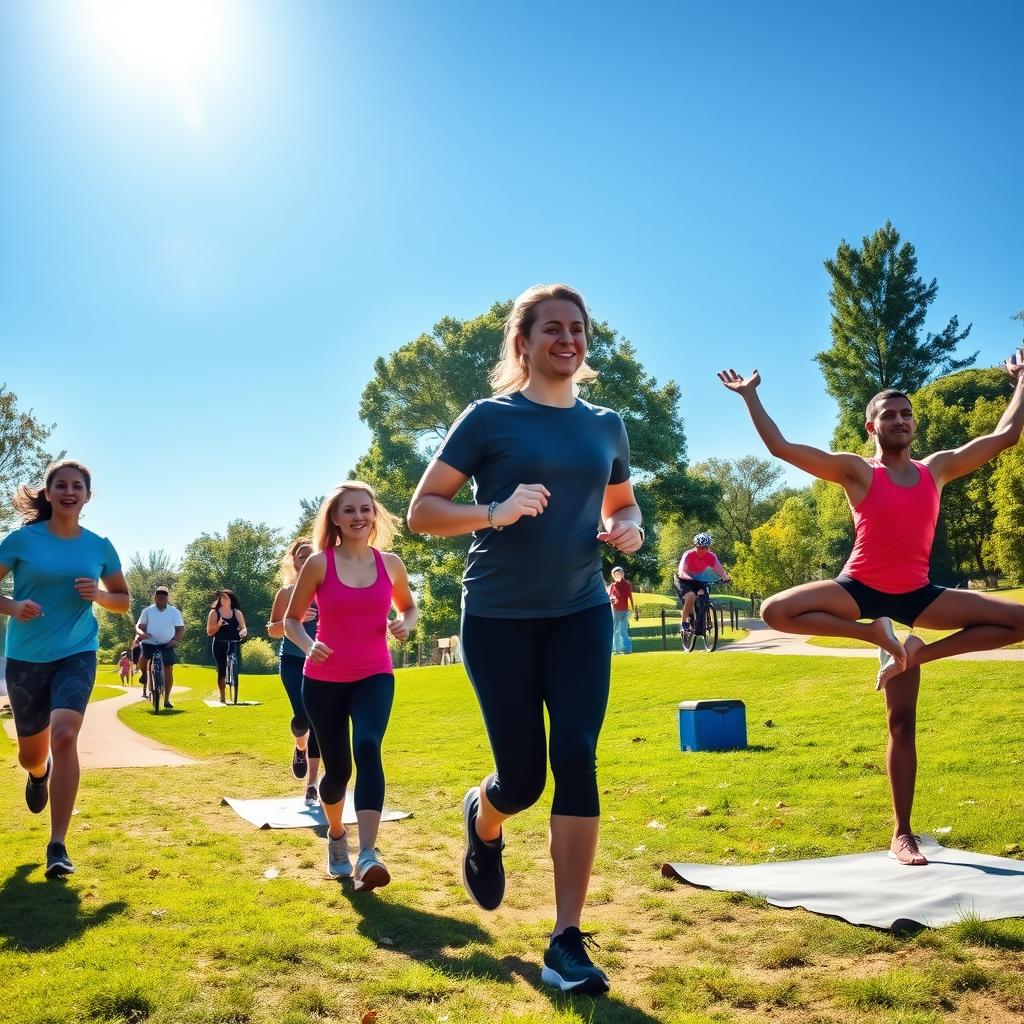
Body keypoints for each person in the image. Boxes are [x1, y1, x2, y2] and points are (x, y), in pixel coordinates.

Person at [408, 283, 642, 995]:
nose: (566, 340)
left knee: (576, 754)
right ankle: (484, 816)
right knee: (524, 778)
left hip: (580, 610)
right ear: (524, 342)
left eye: (577, 329)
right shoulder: (487, 418)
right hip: (500, 617)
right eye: (551, 329)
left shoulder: (607, 424)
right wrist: (495, 510)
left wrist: (630, 529)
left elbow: (622, 501)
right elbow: (422, 512)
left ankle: (567, 938)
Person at [719, 355, 1024, 866]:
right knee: (776, 610)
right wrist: (752, 396)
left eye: (907, 414)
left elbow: (1005, 437)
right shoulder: (857, 471)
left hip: (918, 596)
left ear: (914, 423)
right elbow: (782, 448)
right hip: (861, 590)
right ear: (872, 426)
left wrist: (1021, 384)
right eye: (889, 415)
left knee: (912, 715)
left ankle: (918, 655)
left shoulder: (937, 470)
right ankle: (881, 640)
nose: (900, 420)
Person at [284, 481, 417, 891]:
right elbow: (291, 621)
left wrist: (404, 625)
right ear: (335, 519)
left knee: (368, 746)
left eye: (365, 509)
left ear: (374, 515)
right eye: (349, 511)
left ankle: (369, 853)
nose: (359, 516)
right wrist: (309, 644)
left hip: (375, 673)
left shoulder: (390, 563)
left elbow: (409, 608)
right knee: (338, 768)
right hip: (323, 680)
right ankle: (338, 836)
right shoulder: (319, 564)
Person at [0, 460, 130, 877]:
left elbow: (124, 600)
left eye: (77, 486)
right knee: (31, 754)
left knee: (66, 734)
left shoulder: (99, 546)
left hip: (77, 651)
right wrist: (13, 606)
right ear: (49, 492)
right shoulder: (21, 540)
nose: (69, 491)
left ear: (87, 496)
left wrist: (100, 595)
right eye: (61, 485)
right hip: (25, 657)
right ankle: (39, 773)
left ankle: (58, 844)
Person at [267, 538, 322, 802]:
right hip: (291, 661)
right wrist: (294, 621)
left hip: (320, 662)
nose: (306, 559)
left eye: (312, 554)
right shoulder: (286, 593)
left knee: (317, 721)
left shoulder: (326, 590)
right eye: (301, 556)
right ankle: (300, 746)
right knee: (301, 719)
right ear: (293, 560)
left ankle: (312, 784)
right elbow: (273, 629)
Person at [674, 533, 732, 636]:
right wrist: (691, 579)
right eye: (701, 548)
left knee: (702, 594)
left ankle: (700, 623)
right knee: (691, 595)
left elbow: (719, 569)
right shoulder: (688, 554)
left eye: (706, 547)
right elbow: (681, 572)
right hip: (684, 579)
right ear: (696, 546)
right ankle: (684, 623)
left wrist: (725, 577)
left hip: (697, 580)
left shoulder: (711, 556)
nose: (704, 550)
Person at [136, 585, 185, 709]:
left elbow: (180, 629)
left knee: (168, 669)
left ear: (167, 598)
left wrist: (175, 640)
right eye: (158, 597)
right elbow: (138, 626)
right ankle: (144, 674)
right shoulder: (147, 611)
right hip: (149, 642)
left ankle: (167, 699)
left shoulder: (174, 611)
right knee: (143, 658)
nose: (161, 600)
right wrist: (142, 634)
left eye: (163, 598)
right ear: (155, 598)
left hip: (167, 643)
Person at [206, 590, 247, 704]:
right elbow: (209, 632)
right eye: (221, 598)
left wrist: (244, 632)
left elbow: (243, 627)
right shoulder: (214, 613)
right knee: (221, 669)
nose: (223, 600)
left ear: (231, 600)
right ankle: (222, 696)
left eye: (226, 598)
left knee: (236, 666)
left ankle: (234, 682)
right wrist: (218, 625)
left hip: (234, 642)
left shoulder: (237, 612)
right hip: (220, 643)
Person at [607, 566, 636, 654]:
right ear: (614, 575)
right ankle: (617, 649)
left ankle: (627, 649)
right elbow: (609, 597)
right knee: (616, 630)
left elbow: (628, 596)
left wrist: (633, 609)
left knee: (622, 630)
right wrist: (612, 598)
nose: (619, 574)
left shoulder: (626, 584)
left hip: (624, 610)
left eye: (620, 573)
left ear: (623, 574)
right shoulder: (612, 586)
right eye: (616, 574)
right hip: (616, 610)